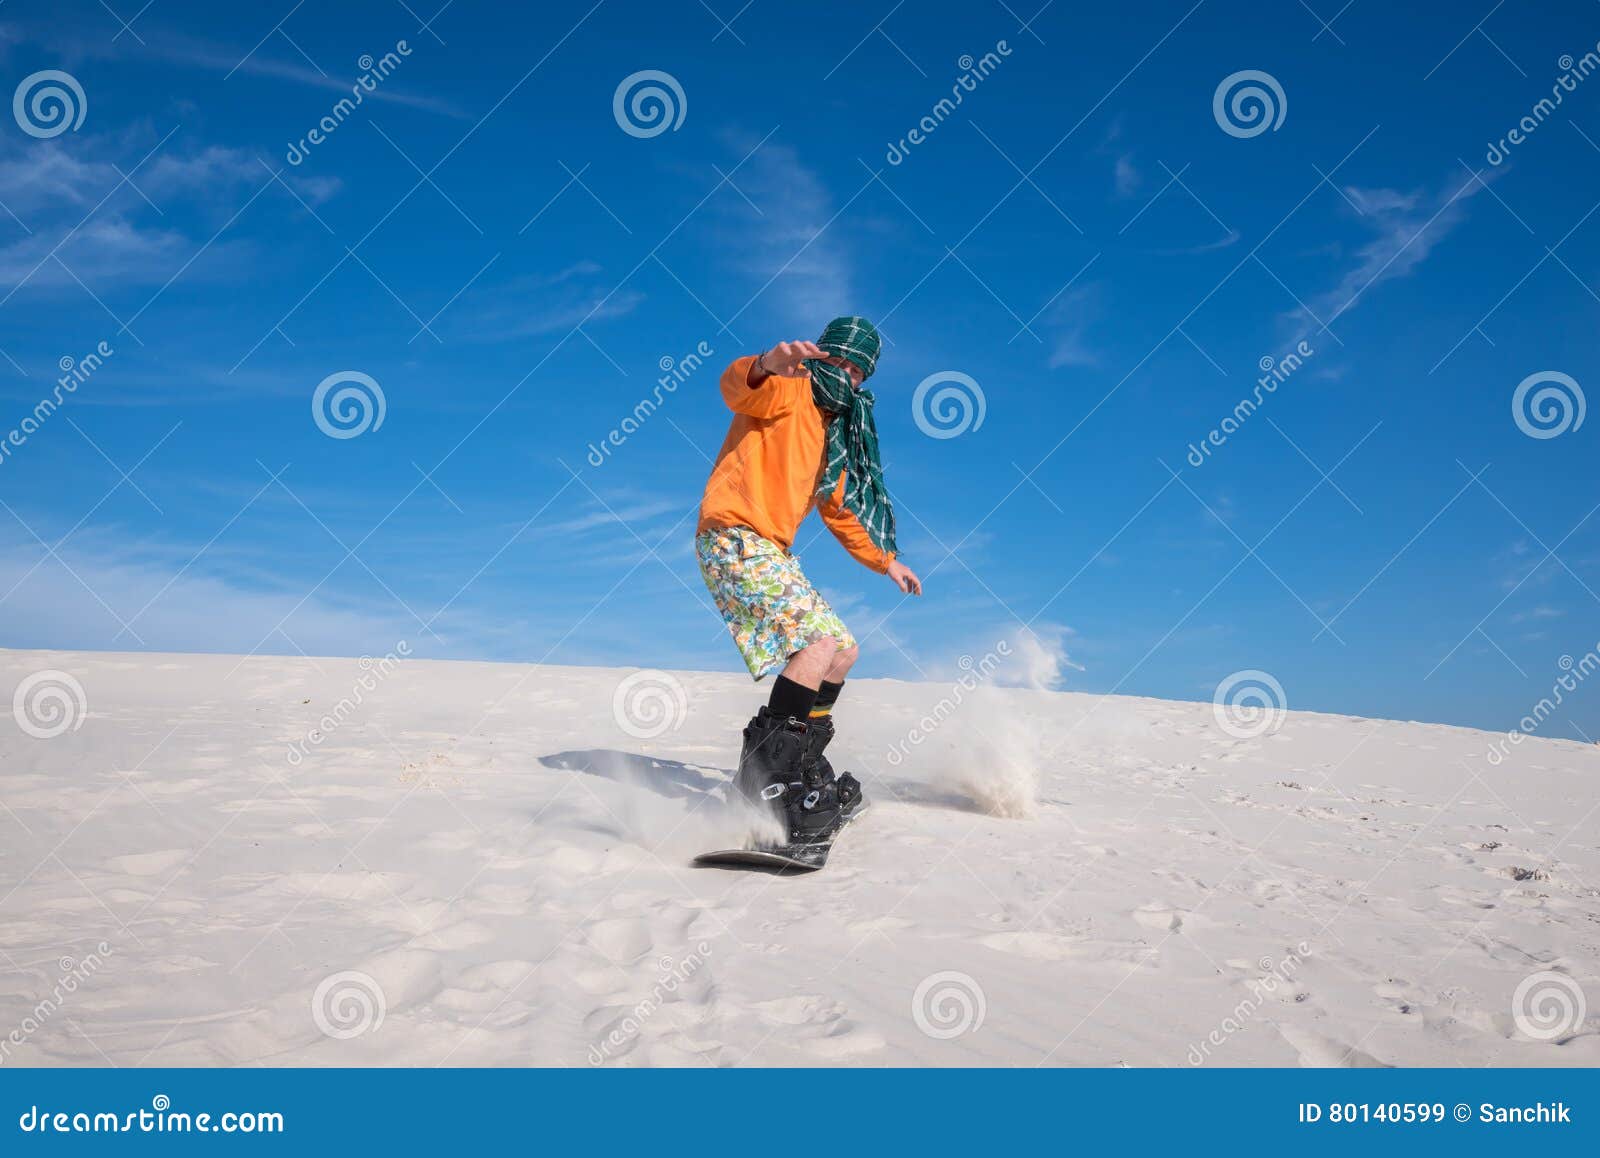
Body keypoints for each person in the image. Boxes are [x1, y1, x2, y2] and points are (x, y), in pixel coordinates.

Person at [696, 316, 922, 845]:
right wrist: (765, 364)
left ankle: (797, 763)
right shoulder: (789, 387)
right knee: (816, 645)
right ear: (820, 355)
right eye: (837, 360)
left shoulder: (833, 432)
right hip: (734, 535)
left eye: (856, 370)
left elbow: (839, 509)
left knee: (843, 651)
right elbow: (738, 388)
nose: (844, 374)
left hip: (771, 549)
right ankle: (763, 783)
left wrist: (885, 560)